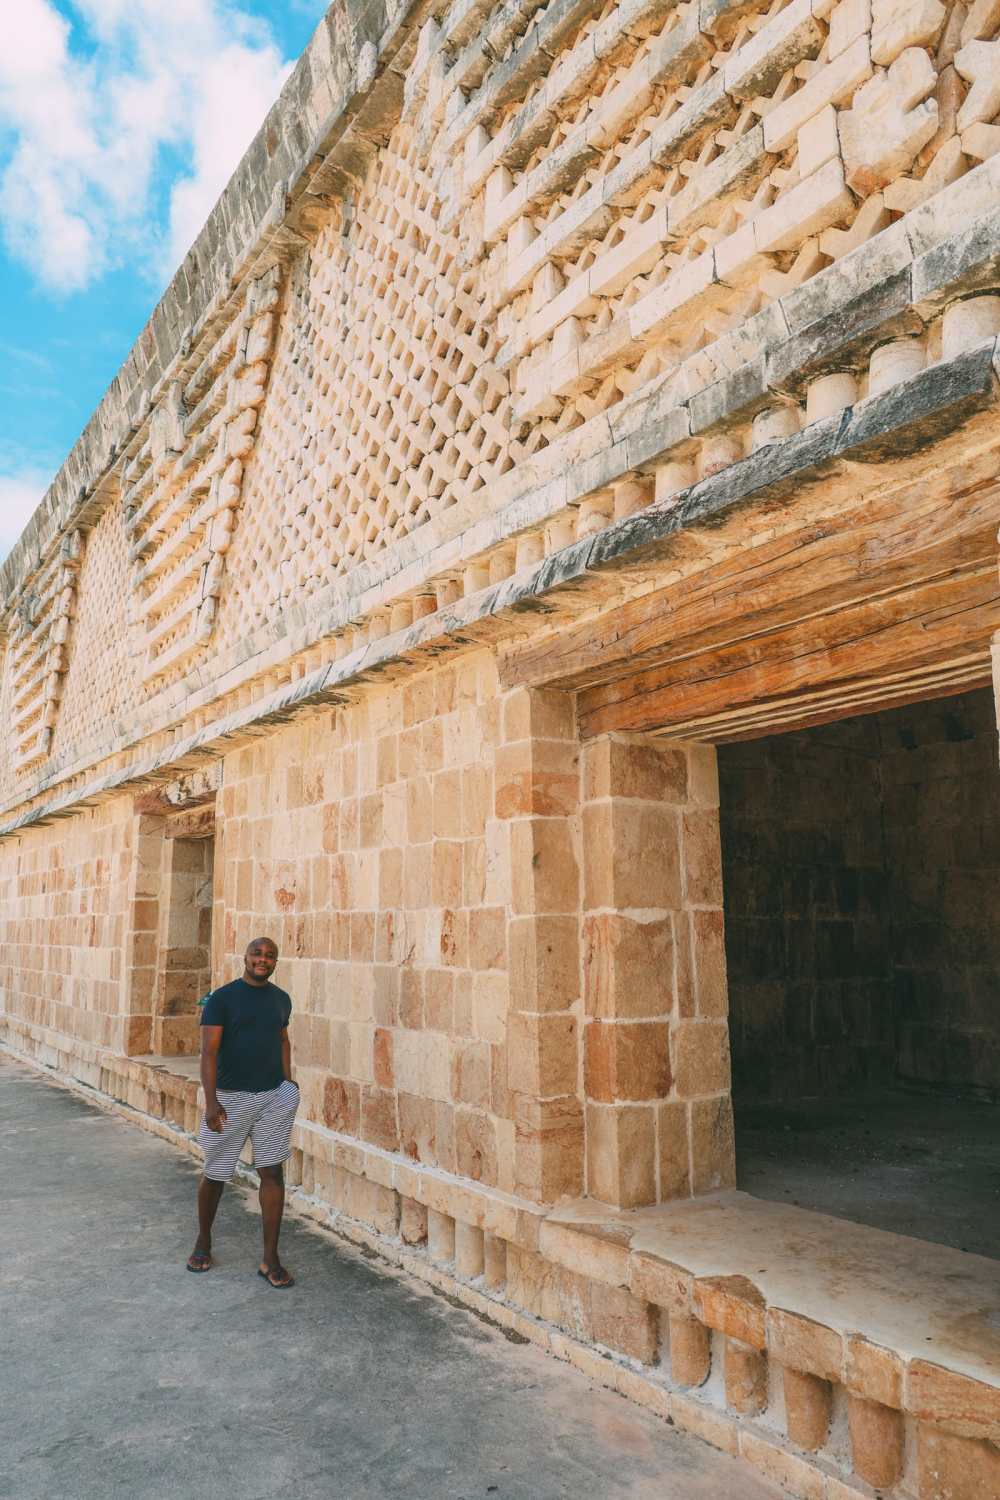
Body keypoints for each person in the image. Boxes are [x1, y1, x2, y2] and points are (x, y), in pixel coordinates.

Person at [186, 936, 300, 1288]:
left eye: (269, 955)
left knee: (272, 1175)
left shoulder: (281, 1000)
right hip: (229, 1100)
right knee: (216, 1174)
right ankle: (203, 1241)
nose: (262, 960)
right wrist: (211, 1102)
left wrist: (288, 1084)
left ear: (275, 961)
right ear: (245, 957)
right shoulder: (222, 999)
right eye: (257, 954)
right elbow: (209, 1053)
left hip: (272, 1098)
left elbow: (282, 1039)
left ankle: (270, 1259)